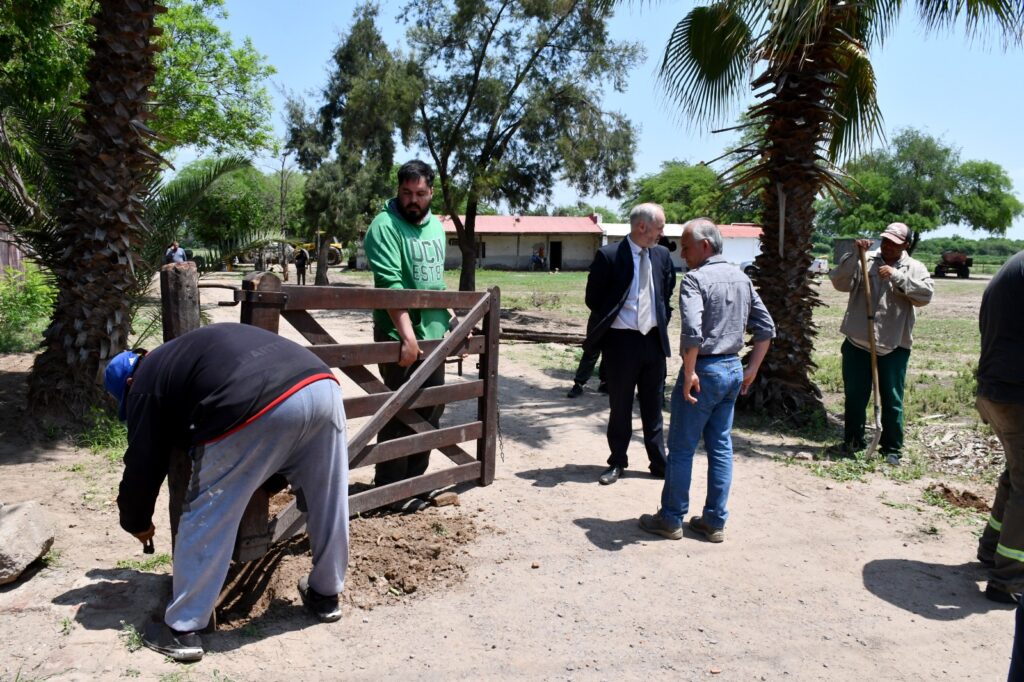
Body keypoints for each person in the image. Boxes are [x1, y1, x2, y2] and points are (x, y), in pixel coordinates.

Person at [103, 323, 350, 662]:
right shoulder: (179, 354)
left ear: (128, 385)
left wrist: (136, 521)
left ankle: (183, 628)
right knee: (329, 498)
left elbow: (143, 464)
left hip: (254, 399)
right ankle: (326, 595)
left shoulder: (143, 385)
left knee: (208, 509)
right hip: (322, 385)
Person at [639, 218, 775, 542]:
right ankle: (714, 521)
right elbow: (766, 327)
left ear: (704, 245)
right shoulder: (742, 279)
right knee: (721, 447)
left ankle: (670, 518)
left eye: (686, 248)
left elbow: (692, 331)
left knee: (682, 449)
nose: (683, 255)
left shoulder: (695, 280)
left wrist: (689, 373)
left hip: (704, 370)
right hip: (731, 370)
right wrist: (752, 368)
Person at [363, 159, 453, 512]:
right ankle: (388, 489)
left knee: (433, 408)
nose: (413, 200)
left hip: (434, 335)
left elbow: (434, 282)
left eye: (420, 193)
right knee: (401, 412)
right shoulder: (384, 226)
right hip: (400, 335)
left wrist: (449, 315)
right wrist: (407, 336)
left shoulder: (436, 229)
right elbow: (391, 286)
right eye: (406, 193)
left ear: (431, 193)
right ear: (397, 191)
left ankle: (415, 482)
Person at [582, 203, 675, 485]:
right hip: (621, 343)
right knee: (620, 405)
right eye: (659, 227)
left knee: (653, 405)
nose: (662, 233)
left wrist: (662, 319)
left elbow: (665, 294)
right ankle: (617, 462)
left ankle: (659, 462)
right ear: (641, 227)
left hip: (653, 342)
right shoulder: (609, 255)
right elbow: (593, 299)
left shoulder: (661, 256)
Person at [827, 222, 933, 464]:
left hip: (894, 345)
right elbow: (840, 283)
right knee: (855, 396)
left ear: (905, 245)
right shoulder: (865, 259)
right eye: (885, 240)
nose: (887, 246)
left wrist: (897, 277)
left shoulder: (915, 268)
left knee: (892, 399)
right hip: (858, 342)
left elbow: (925, 296)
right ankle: (853, 442)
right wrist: (856, 256)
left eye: (894, 243)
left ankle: (892, 449)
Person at [974, 250, 1024, 606]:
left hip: (996, 388)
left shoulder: (1016, 263)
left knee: (1016, 474)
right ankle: (1007, 579)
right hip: (1015, 392)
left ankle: (992, 549)